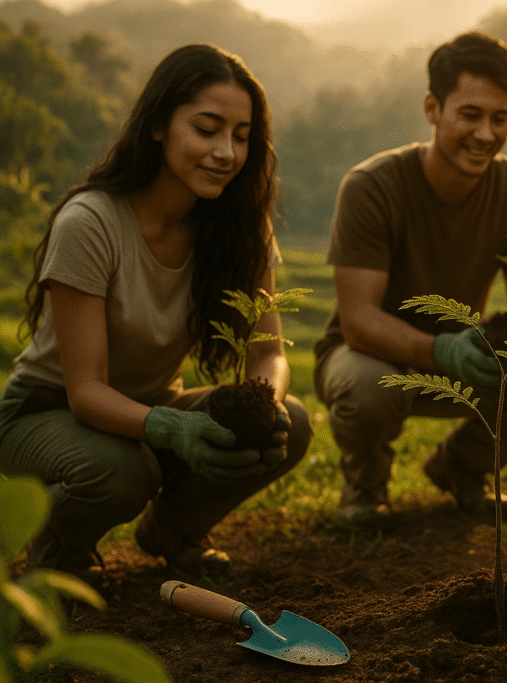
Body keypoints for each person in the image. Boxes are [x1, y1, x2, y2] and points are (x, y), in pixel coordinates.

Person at [0, 44, 311, 583]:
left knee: (294, 424)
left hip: (150, 406)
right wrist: (168, 428)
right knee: (121, 471)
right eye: (207, 129)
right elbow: (86, 391)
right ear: (158, 127)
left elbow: (267, 352)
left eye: (241, 137)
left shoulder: (240, 229)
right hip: (49, 414)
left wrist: (269, 402)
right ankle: (57, 551)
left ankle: (172, 530)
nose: (226, 153)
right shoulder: (91, 223)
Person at [313, 31, 507, 525]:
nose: (486, 133)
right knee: (366, 383)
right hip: (372, 357)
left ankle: (461, 469)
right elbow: (357, 321)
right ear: (432, 108)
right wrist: (444, 351)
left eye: (500, 117)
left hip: (470, 360)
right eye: (470, 114)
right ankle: (367, 485)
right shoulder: (372, 187)